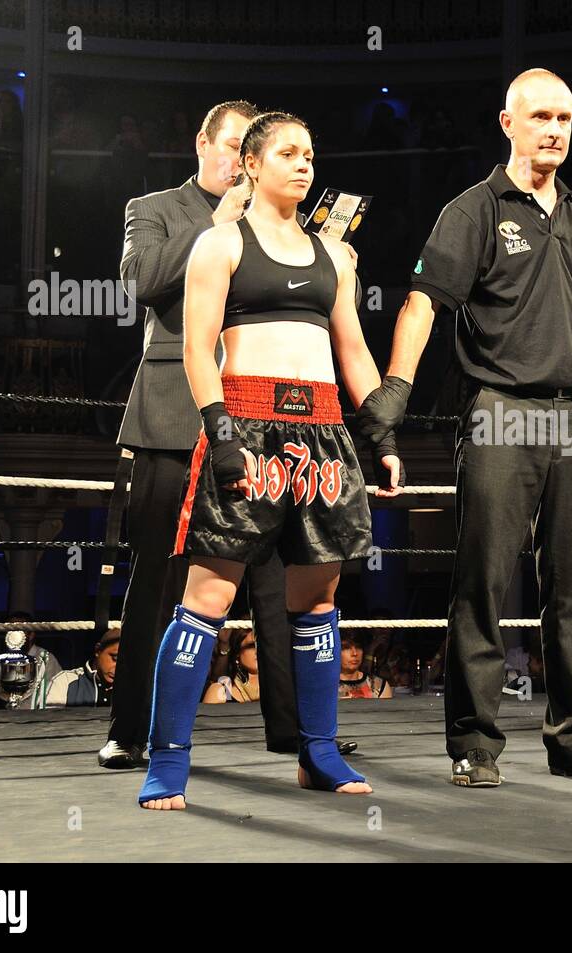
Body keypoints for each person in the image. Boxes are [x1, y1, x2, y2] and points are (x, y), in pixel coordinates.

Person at [354, 68, 572, 787]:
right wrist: (396, 388)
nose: (555, 129)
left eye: (564, 117)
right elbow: (423, 303)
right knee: (485, 579)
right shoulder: (472, 210)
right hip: (500, 407)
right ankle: (474, 741)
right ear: (508, 123)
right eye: (540, 117)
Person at [136, 110, 402, 810]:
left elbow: (352, 350)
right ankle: (168, 758)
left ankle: (316, 752)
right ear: (252, 164)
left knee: (315, 600)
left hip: (322, 432)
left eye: (310, 154)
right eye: (287, 152)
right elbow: (198, 347)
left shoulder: (335, 256)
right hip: (246, 423)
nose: (304, 164)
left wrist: (383, 436)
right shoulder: (218, 245)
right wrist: (219, 430)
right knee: (207, 598)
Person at [105, 100, 351, 769]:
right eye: (236, 146)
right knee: (160, 577)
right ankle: (133, 730)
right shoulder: (156, 209)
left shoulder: (279, 221)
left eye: (253, 148)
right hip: (172, 415)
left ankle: (302, 736)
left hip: (265, 420)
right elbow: (145, 283)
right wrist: (217, 224)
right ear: (206, 147)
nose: (244, 162)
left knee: (278, 583)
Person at [48, 633, 117, 707]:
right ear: (98, 650)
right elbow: (47, 717)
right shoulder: (65, 681)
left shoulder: (129, 687)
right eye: (115, 658)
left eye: (124, 662)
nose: (118, 668)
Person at [204, 630, 260, 703]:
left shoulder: (278, 688)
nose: (259, 650)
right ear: (238, 654)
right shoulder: (222, 691)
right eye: (252, 645)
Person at [339, 632, 392, 699]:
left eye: (358, 647)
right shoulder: (325, 684)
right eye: (346, 648)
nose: (355, 653)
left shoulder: (378, 685)